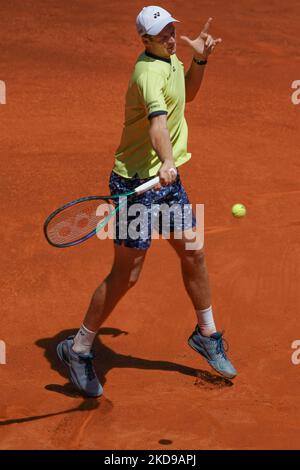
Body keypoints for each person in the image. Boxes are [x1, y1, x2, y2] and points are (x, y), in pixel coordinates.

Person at [57, 6, 237, 398]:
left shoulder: (170, 59)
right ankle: (79, 348)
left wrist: (200, 59)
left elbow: (186, 97)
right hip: (136, 184)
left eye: (173, 30)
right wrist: (168, 160)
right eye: (163, 34)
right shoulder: (146, 75)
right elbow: (158, 124)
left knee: (194, 251)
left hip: (165, 183)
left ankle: (206, 334)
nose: (172, 38)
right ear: (145, 40)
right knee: (127, 275)